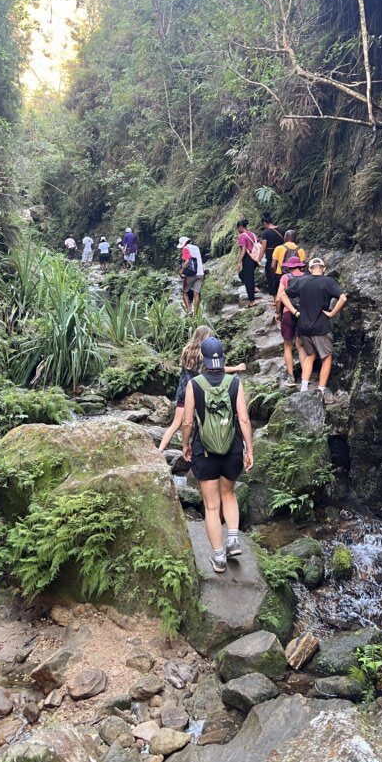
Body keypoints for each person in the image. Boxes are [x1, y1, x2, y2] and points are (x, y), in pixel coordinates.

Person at [182, 337, 254, 573]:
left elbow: (187, 421)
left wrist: (185, 444)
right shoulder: (234, 383)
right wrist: (249, 448)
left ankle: (219, 557)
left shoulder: (195, 384)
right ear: (222, 357)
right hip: (232, 449)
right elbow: (243, 419)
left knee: (211, 506)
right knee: (229, 494)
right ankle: (233, 538)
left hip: (205, 450)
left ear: (203, 358)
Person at [158, 326, 246, 454]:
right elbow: (218, 368)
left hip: (183, 391)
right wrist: (236, 368)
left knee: (176, 424)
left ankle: (160, 450)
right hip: (199, 392)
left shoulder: (186, 350)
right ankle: (211, 449)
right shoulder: (203, 355)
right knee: (207, 421)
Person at [280, 257, 348, 397]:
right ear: (323, 268)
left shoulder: (302, 281)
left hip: (303, 326)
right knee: (327, 357)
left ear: (310, 269)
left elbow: (282, 295)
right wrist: (332, 313)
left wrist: (295, 312)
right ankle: (321, 390)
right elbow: (343, 298)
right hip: (321, 326)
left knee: (310, 355)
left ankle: (304, 388)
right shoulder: (328, 282)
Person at [275, 255, 305, 384]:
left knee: (288, 346)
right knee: (301, 345)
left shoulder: (285, 277)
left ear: (289, 267)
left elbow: (278, 297)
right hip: (304, 314)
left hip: (288, 313)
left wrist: (278, 312)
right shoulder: (307, 278)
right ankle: (305, 376)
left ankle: (291, 377)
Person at [177, 236, 205, 314]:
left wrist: (181, 271)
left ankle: (189, 311)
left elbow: (187, 261)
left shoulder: (186, 248)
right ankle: (195, 314)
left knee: (185, 292)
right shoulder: (196, 248)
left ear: (183, 244)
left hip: (192, 274)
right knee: (196, 293)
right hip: (200, 273)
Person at [235, 219, 259, 308]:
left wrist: (239, 261)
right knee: (242, 274)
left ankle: (252, 301)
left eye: (238, 229)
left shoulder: (242, 236)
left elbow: (244, 249)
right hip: (255, 258)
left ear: (241, 227)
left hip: (248, 258)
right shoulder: (252, 234)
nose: (238, 230)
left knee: (248, 279)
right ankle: (253, 287)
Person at [260, 213, 284, 300]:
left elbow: (263, 248)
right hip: (281, 255)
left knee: (271, 276)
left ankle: (275, 298)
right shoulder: (282, 229)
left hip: (271, 256)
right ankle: (282, 295)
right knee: (281, 275)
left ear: (265, 223)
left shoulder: (266, 233)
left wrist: (259, 259)